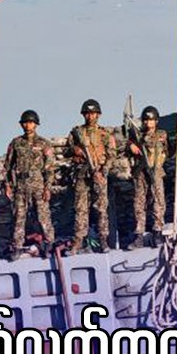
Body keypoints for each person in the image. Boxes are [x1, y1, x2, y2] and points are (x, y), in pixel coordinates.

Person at [66, 99, 118, 253]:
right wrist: (75, 150)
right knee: (80, 208)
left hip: (99, 173)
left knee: (101, 209)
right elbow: (67, 151)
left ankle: (103, 241)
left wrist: (103, 171)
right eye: (87, 113)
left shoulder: (104, 134)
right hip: (82, 174)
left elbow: (112, 155)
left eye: (93, 113)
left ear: (98, 115)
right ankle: (78, 241)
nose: (90, 116)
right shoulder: (76, 133)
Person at [4, 109, 56, 259]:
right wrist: (7, 185)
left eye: (31, 123)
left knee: (43, 216)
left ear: (36, 124)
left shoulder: (44, 144)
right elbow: (8, 166)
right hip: (20, 185)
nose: (27, 125)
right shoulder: (16, 143)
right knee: (18, 217)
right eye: (25, 123)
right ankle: (17, 246)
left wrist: (48, 188)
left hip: (38, 184)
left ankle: (49, 244)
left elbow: (49, 169)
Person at [127, 105, 169, 249]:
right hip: (141, 172)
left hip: (156, 171)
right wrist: (130, 146)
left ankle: (157, 232)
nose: (147, 123)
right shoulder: (136, 134)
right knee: (139, 203)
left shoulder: (162, 135)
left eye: (150, 120)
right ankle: (139, 235)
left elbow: (169, 152)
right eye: (145, 120)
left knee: (158, 201)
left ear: (156, 121)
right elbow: (124, 145)